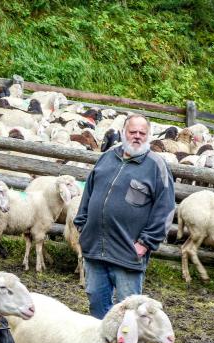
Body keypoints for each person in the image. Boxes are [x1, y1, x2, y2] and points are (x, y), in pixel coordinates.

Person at [74, 114, 175, 316]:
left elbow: (165, 209)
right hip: (95, 248)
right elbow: (89, 192)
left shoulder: (156, 166)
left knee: (129, 311)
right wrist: (82, 225)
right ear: (123, 133)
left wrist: (145, 243)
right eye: (132, 132)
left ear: (148, 136)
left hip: (127, 253)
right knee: (96, 302)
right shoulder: (107, 157)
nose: (137, 136)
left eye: (142, 133)